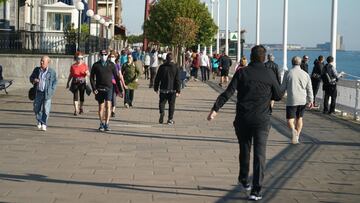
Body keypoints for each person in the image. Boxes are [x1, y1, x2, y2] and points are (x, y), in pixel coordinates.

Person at [207, 45, 283, 201]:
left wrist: (215, 109)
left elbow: (228, 92)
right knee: (259, 155)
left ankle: (243, 179)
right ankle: (256, 191)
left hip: (243, 119)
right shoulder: (269, 74)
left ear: (252, 56)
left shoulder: (242, 72)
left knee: (244, 149)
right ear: (264, 57)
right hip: (262, 120)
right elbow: (278, 95)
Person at [281, 56, 313, 144]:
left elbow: (283, 87)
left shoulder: (288, 73)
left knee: (290, 120)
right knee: (300, 118)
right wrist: (310, 100)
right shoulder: (305, 74)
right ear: (300, 63)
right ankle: (297, 136)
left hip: (292, 99)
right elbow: (309, 88)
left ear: (292, 62)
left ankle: (293, 130)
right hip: (302, 100)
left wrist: (279, 95)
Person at [90, 50, 123, 132]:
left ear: (107, 55)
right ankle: (101, 123)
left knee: (109, 105)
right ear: (99, 55)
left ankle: (107, 124)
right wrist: (94, 88)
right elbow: (91, 78)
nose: (103, 56)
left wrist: (120, 90)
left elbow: (116, 77)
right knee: (101, 107)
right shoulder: (96, 65)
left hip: (109, 87)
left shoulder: (111, 65)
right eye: (102, 55)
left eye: (105, 55)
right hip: (99, 88)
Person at [29, 56, 58, 131]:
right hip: (38, 92)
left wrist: (52, 90)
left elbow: (55, 82)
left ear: (48, 63)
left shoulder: (52, 72)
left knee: (46, 109)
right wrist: (34, 80)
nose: (41, 62)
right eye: (41, 61)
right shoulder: (37, 70)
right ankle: (39, 120)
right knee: (36, 108)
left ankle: (44, 123)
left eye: (43, 61)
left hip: (47, 93)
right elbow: (31, 78)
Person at [154, 53, 181, 125]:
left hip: (163, 88)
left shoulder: (162, 67)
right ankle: (170, 119)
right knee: (171, 105)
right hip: (172, 89)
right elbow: (178, 80)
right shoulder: (176, 67)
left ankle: (162, 112)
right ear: (172, 59)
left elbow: (157, 78)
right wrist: (178, 90)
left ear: (166, 58)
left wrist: (156, 87)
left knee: (162, 102)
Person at [66, 51, 89, 116]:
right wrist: (68, 83)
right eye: (78, 58)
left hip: (82, 82)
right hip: (75, 82)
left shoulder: (85, 65)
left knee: (82, 96)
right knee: (75, 96)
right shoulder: (73, 66)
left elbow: (88, 73)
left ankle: (81, 107)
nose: (80, 59)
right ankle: (76, 110)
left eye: (81, 58)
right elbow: (71, 75)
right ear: (76, 58)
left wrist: (87, 74)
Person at [109, 51, 126, 117]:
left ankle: (113, 111)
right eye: (110, 56)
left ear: (116, 57)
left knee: (113, 97)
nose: (111, 58)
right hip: (107, 83)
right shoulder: (107, 64)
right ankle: (109, 109)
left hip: (115, 83)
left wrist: (123, 84)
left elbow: (120, 75)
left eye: (113, 57)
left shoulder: (117, 65)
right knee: (108, 98)